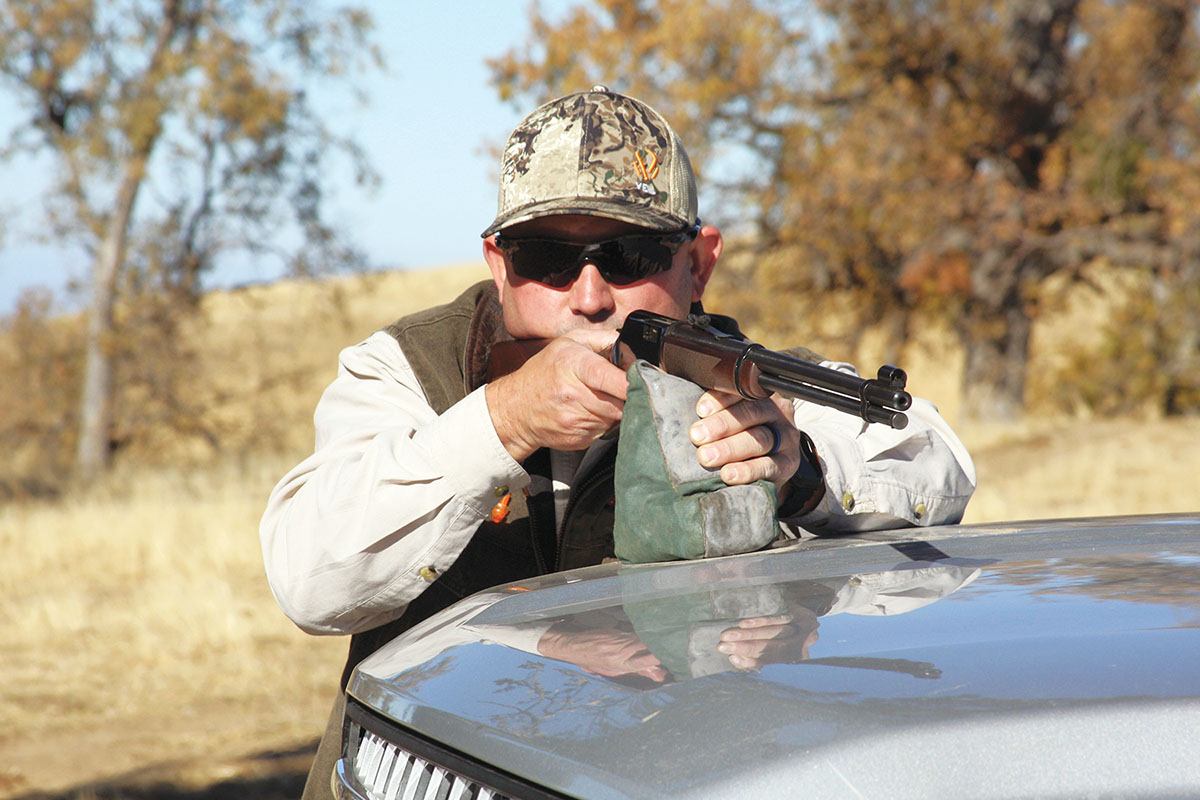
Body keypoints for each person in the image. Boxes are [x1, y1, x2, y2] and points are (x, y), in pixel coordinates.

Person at [259, 85, 976, 798]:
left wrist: (802, 469)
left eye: (628, 255)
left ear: (698, 264)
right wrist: (499, 423)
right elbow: (310, 580)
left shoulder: (742, 378)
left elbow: (936, 463)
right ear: (498, 264)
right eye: (548, 257)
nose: (591, 295)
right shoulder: (408, 369)